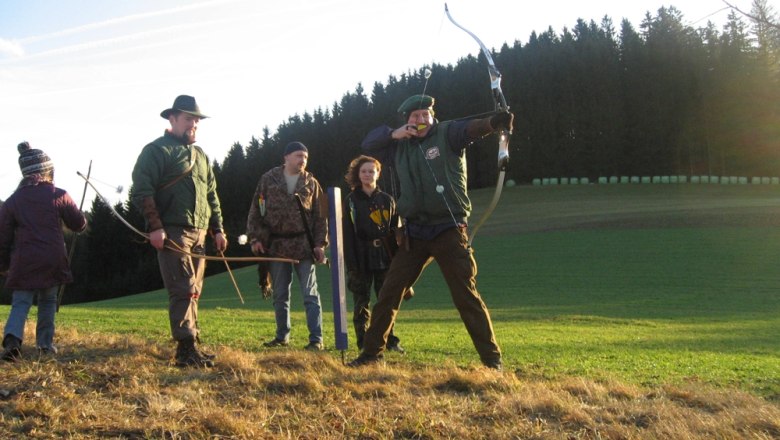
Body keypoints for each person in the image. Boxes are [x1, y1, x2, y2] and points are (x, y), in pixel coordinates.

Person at [348, 94, 513, 370]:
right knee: (389, 292)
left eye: (425, 114)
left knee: (465, 295)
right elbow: (368, 144)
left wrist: (494, 122)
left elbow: (471, 128)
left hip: (449, 230)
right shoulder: (397, 146)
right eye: (415, 116)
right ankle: (371, 353)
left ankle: (492, 360)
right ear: (407, 121)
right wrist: (394, 134)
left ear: (431, 116)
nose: (421, 119)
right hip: (414, 234)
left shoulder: (448, 133)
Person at [131, 95, 227, 368]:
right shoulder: (156, 151)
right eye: (188, 119)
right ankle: (185, 349)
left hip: (199, 231)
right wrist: (156, 227)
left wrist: (217, 229)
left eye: (196, 120)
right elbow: (142, 191)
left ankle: (192, 342)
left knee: (194, 289)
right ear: (172, 119)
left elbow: (212, 195)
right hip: (172, 230)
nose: (194, 124)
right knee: (182, 287)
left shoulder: (201, 155)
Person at [0, 142, 87, 362]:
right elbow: (77, 224)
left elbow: (3, 238)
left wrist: (3, 265)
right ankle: (44, 345)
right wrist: (83, 222)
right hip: (52, 259)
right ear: (47, 170)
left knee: (21, 302)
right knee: (48, 301)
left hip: (24, 261)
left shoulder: (12, 202)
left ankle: (12, 341)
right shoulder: (59, 194)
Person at [246, 141, 327, 351]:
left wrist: (320, 244)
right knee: (280, 294)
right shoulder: (268, 179)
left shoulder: (311, 183)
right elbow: (256, 210)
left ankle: (316, 339)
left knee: (310, 294)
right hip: (276, 245)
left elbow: (321, 217)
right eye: (299, 156)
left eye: (305, 157)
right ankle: (282, 336)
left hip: (304, 246)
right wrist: (255, 238)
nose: (303, 160)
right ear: (286, 157)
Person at [342, 155, 410, 354]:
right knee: (361, 303)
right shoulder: (351, 201)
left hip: (385, 257)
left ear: (378, 174)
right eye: (363, 171)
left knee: (386, 301)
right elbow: (347, 233)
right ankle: (363, 343)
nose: (367, 174)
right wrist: (352, 263)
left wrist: (398, 259)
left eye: (371, 171)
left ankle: (389, 340)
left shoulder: (387, 200)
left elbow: (396, 231)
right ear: (358, 174)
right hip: (360, 257)